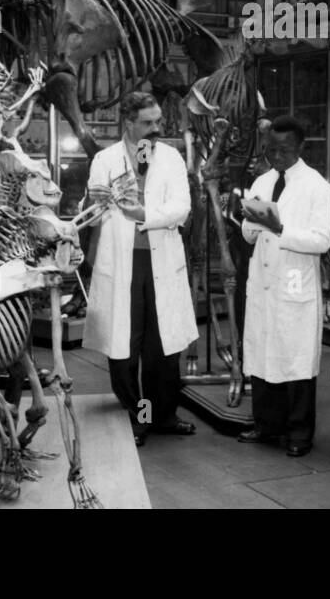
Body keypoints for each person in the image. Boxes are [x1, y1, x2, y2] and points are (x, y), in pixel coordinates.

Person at [85, 91, 198, 447]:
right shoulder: (105, 159)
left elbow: (181, 208)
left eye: (158, 121)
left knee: (161, 346)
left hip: (160, 260)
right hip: (122, 264)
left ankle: (163, 415)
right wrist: (96, 202)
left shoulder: (171, 157)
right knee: (125, 347)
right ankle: (140, 415)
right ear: (128, 123)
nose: (156, 128)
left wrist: (144, 214)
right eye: (148, 122)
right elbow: (93, 210)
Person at [237, 115, 330, 457]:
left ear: (300, 147)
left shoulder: (316, 186)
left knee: (294, 361)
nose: (277, 156)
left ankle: (299, 433)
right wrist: (251, 225)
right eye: (271, 149)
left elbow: (321, 241)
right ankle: (266, 425)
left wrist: (279, 229)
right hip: (264, 279)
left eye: (284, 149)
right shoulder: (263, 180)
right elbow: (248, 231)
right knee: (263, 356)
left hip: (294, 280)